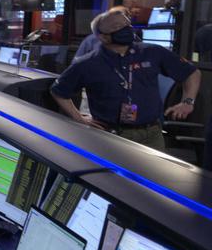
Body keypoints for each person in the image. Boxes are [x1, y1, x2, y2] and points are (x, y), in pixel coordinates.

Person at [51, 10, 200, 151]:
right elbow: (58, 91)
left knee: (149, 178)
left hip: (152, 134)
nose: (126, 29)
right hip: (111, 136)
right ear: (103, 36)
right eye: (118, 27)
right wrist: (78, 118)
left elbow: (192, 73)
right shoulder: (87, 64)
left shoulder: (152, 52)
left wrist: (188, 101)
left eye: (127, 24)